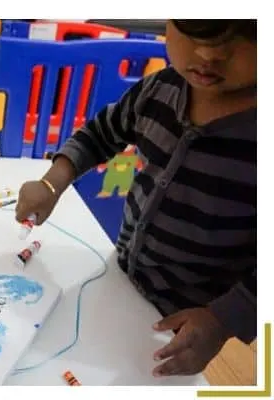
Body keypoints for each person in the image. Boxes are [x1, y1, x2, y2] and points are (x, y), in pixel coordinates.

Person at [15, 19, 257, 377]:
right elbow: (99, 134)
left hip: (185, 323)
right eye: (193, 33)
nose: (208, 53)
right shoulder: (159, 89)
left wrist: (223, 320)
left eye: (244, 37)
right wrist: (53, 181)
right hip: (121, 277)